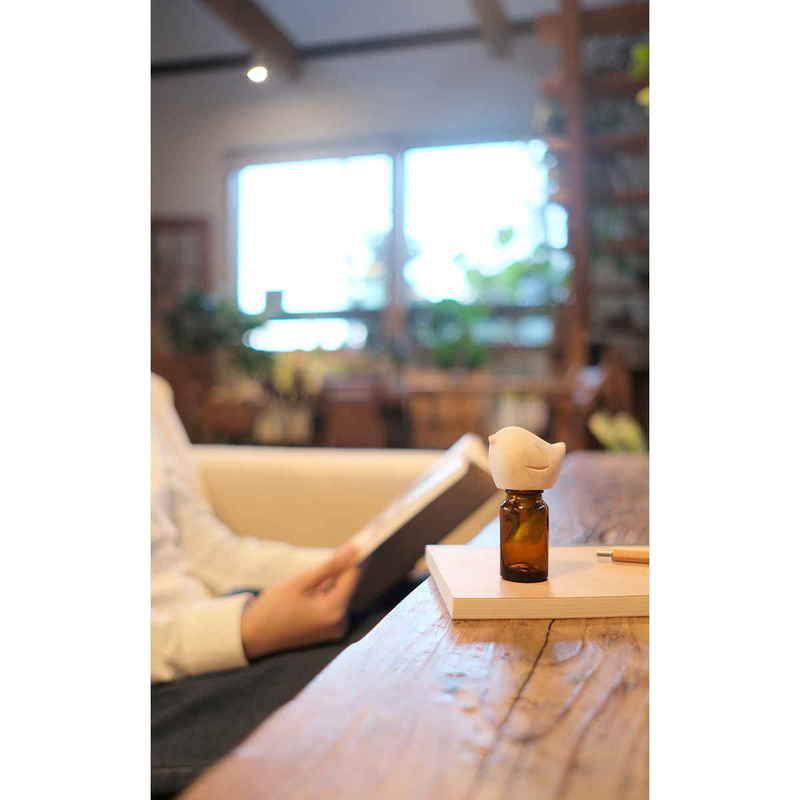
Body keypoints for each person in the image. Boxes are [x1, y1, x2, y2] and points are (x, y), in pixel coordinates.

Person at [151, 375, 384, 796]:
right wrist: (245, 630)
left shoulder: (148, 392)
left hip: (203, 642)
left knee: (406, 605)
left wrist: (354, 563)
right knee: (381, 693)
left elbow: (207, 553)